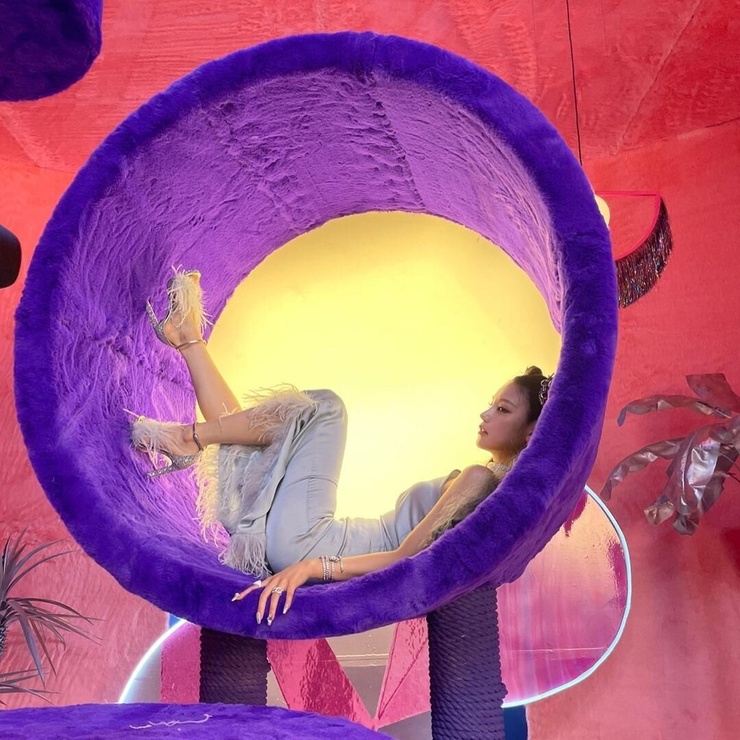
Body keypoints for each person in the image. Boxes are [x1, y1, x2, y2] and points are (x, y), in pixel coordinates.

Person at [131, 269, 553, 625]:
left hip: (316, 546)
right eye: (491, 403)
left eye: (502, 409)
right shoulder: (490, 492)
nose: (485, 414)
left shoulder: (478, 479)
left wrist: (312, 566)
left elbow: (404, 559)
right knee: (255, 441)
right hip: (307, 541)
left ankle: (189, 437)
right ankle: (187, 338)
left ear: (531, 432)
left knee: (326, 409)